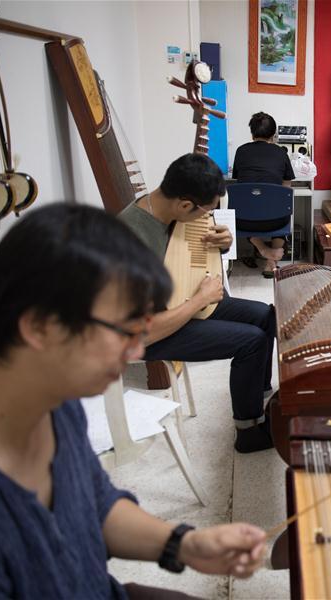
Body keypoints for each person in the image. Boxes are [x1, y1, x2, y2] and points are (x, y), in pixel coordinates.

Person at [0, 204, 267, 598]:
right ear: (40, 327)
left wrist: (184, 544)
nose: (136, 350)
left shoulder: (53, 401)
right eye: (124, 330)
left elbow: (94, 504)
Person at [119, 153, 275, 453]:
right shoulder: (131, 240)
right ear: (185, 204)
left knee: (266, 316)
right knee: (251, 341)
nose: (208, 217)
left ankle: (256, 390)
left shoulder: (168, 209)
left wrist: (225, 242)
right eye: (207, 210)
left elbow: (192, 258)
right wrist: (199, 301)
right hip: (152, 332)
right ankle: (248, 432)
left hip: (183, 300)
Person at [232, 111, 296, 277]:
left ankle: (263, 249)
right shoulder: (281, 153)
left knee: (249, 208)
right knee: (280, 209)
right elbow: (286, 189)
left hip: (244, 221)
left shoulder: (241, 151)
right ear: (274, 134)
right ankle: (270, 262)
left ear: (252, 133)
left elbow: (241, 183)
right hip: (275, 221)